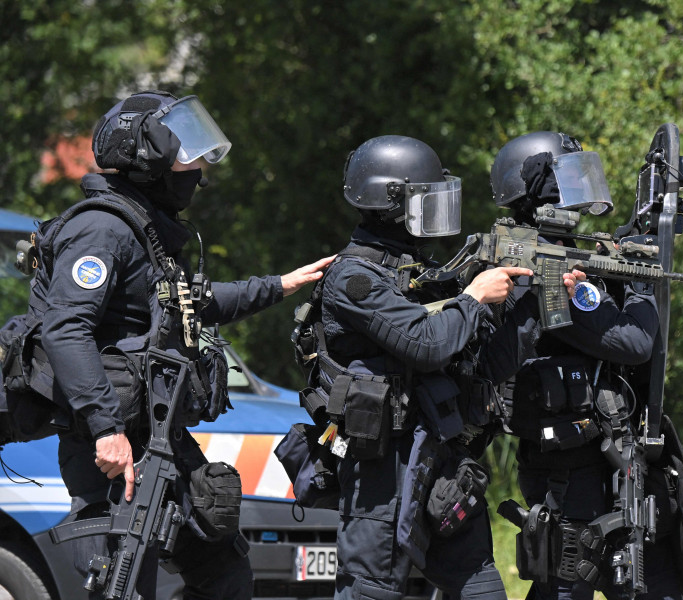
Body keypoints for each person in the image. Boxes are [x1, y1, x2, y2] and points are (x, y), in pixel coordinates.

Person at [29, 90, 333, 599]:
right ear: (148, 159)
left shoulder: (149, 231)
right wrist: (105, 430)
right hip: (110, 449)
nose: (196, 169)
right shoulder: (102, 228)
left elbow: (194, 303)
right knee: (124, 583)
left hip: (159, 440)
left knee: (225, 575)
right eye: (184, 152)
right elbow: (65, 328)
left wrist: (282, 284)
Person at [310, 134, 551, 600]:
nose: (438, 211)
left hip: (441, 460)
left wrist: (535, 300)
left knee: (481, 589)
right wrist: (474, 296)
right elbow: (425, 345)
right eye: (427, 199)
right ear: (392, 203)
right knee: (370, 591)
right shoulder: (354, 278)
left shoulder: (421, 274)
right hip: (381, 472)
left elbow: (486, 363)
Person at [490, 131, 683, 600]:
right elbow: (632, 340)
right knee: (569, 582)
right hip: (569, 470)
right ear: (539, 194)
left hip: (590, 458)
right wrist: (639, 280)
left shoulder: (561, 257)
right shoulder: (544, 269)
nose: (580, 192)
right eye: (566, 179)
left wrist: (621, 259)